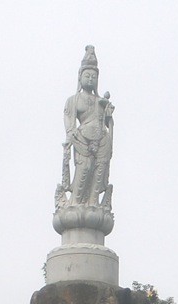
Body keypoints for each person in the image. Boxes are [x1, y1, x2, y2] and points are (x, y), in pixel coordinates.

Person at [60, 45, 114, 208]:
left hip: (101, 141)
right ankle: (75, 202)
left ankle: (93, 203)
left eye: (93, 77)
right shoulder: (73, 100)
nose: (90, 79)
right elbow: (69, 122)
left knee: (98, 171)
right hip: (82, 139)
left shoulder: (100, 101)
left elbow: (107, 122)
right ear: (80, 77)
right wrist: (72, 135)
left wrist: (109, 116)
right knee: (85, 168)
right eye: (87, 75)